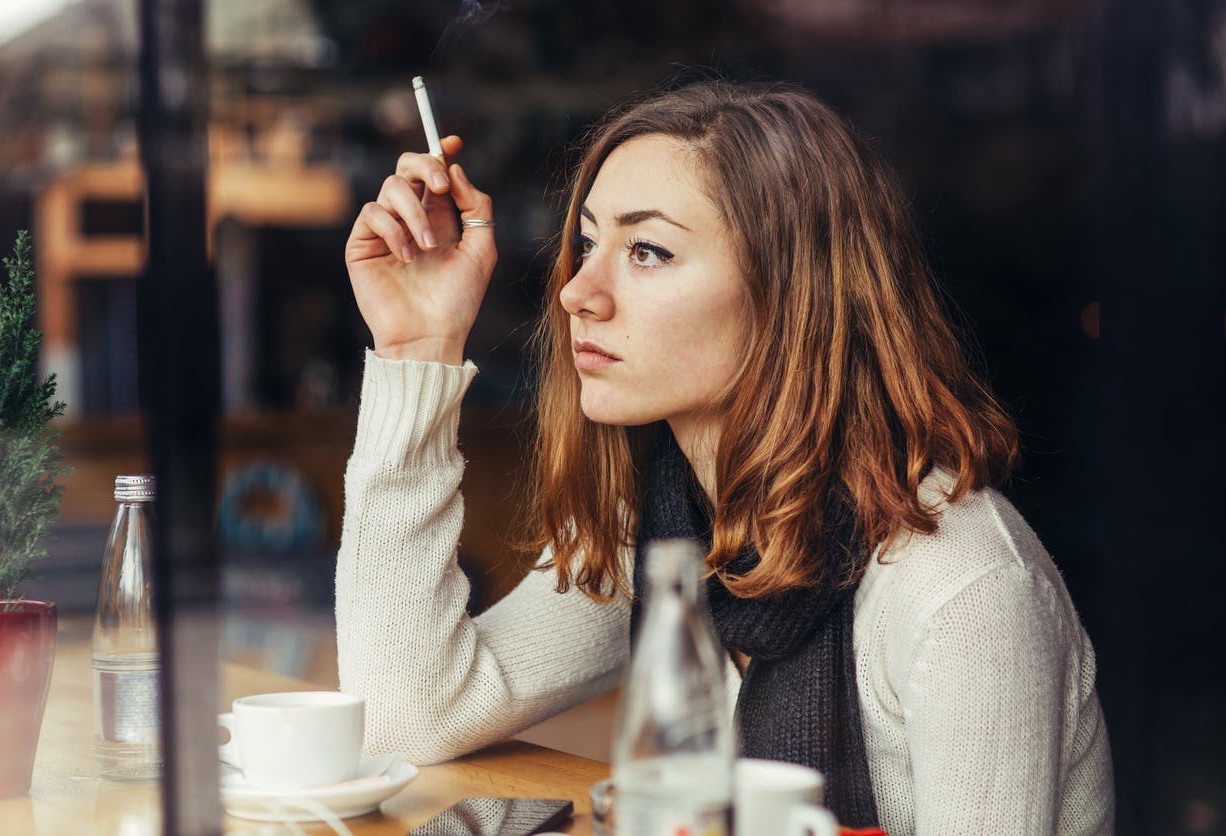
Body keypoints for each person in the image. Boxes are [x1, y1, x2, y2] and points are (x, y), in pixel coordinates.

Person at [337, 80, 1114, 833]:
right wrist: (418, 347)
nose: (578, 290)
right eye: (585, 242)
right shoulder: (668, 529)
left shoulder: (961, 590)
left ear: (790, 291)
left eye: (647, 251)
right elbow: (408, 713)